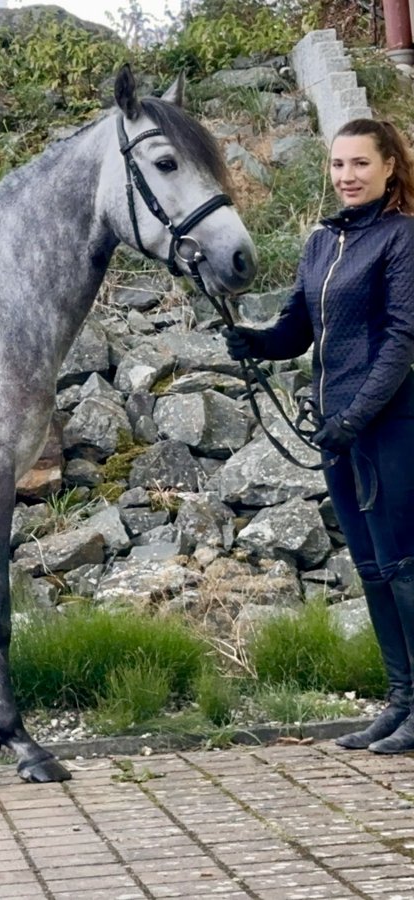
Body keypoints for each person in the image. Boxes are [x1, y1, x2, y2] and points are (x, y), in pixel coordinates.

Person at [224, 118, 414, 753]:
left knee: (404, 565)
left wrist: (353, 419)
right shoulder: (322, 243)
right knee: (372, 569)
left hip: (388, 424)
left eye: (360, 164)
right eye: (338, 165)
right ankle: (401, 703)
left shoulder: (402, 238)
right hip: (339, 429)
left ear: (390, 166)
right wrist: (254, 340)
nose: (347, 177)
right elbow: (297, 331)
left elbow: (400, 343)